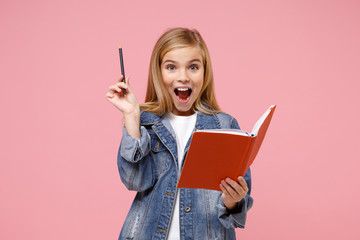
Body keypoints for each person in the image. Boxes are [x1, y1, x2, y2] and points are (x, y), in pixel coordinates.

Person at [106, 27, 253, 240]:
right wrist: (131, 114)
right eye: (171, 67)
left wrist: (233, 200)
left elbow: (236, 209)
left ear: (205, 72)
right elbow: (133, 180)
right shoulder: (144, 120)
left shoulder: (225, 125)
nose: (183, 77)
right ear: (159, 72)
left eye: (193, 67)